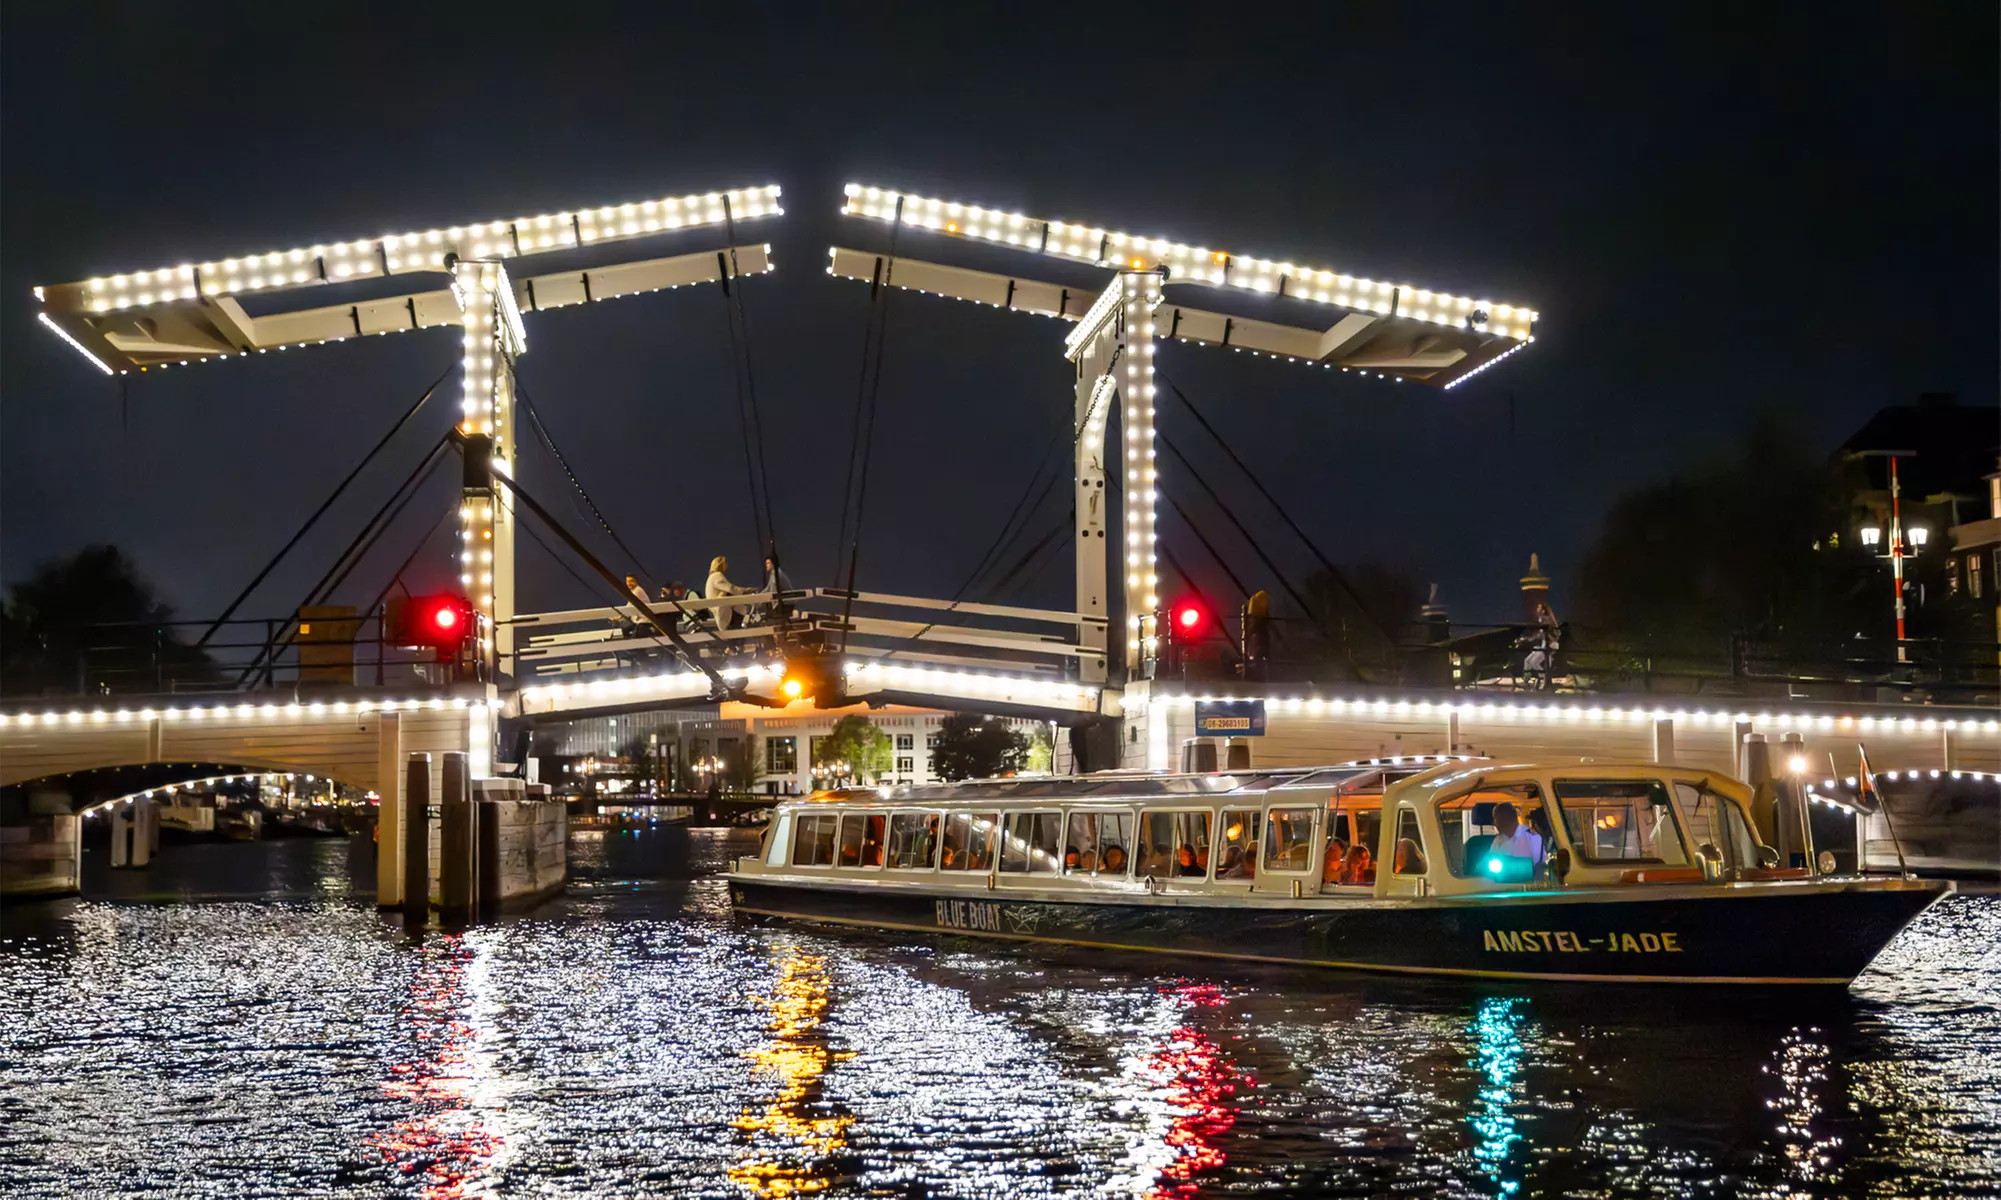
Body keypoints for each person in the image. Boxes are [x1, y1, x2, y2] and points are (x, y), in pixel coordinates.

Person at [706, 556, 751, 630]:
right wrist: (745, 591)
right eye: (724, 563)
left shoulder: (711, 577)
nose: (726, 565)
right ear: (720, 564)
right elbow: (730, 588)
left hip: (721, 612)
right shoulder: (717, 576)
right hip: (724, 612)